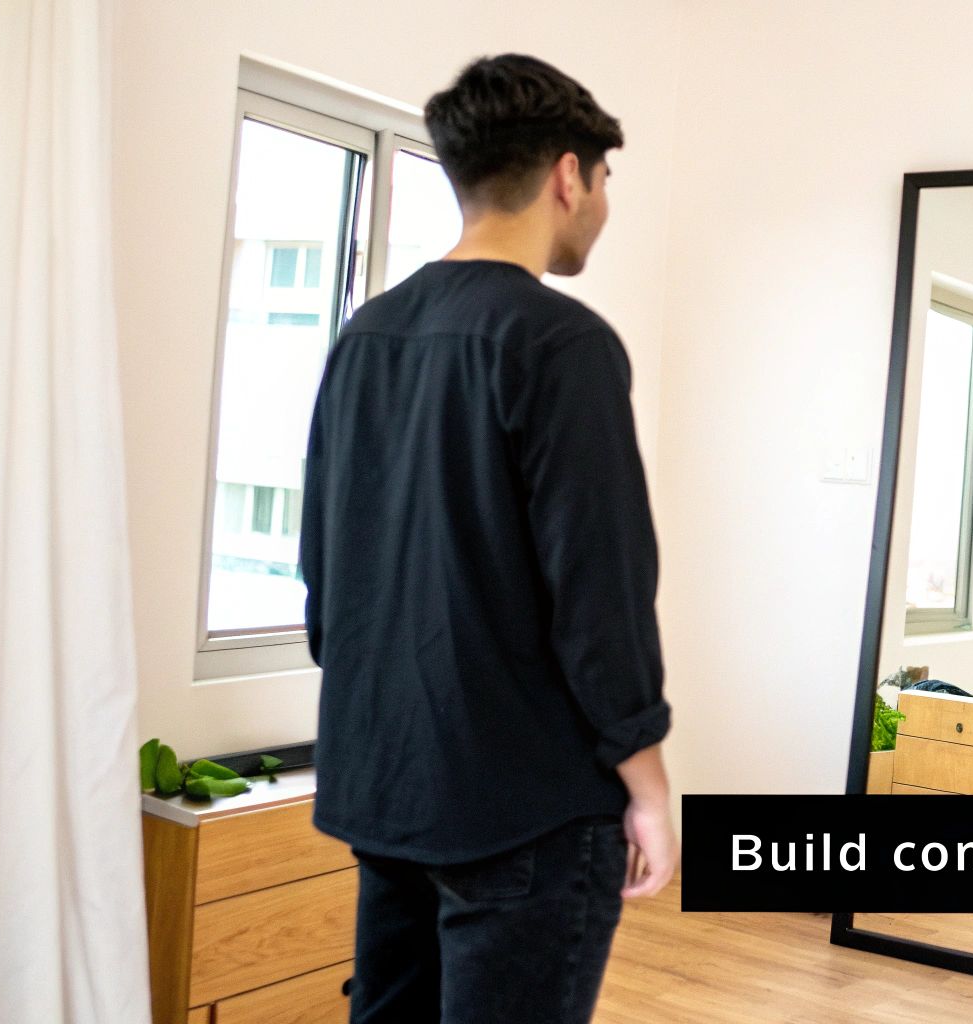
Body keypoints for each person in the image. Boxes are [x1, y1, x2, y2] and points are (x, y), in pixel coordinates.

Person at [299, 54, 675, 1024]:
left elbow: (324, 576)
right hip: (526, 806)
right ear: (565, 175)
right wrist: (648, 781)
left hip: (383, 784)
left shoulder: (366, 333)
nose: (600, 205)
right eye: (602, 181)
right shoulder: (561, 343)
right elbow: (599, 594)